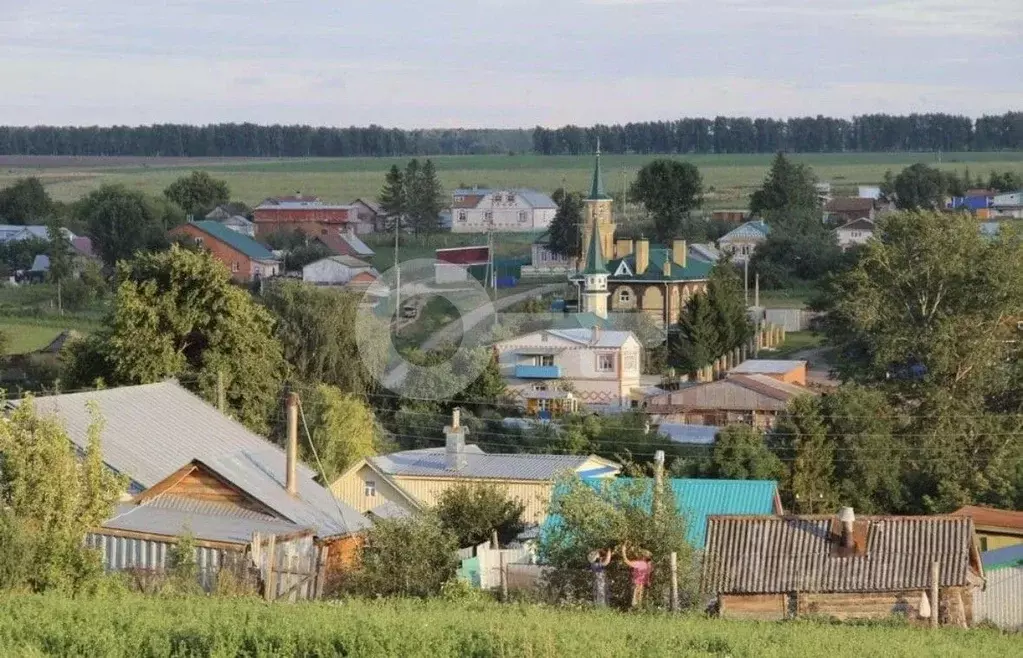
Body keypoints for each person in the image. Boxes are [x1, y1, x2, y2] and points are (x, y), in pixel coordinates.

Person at [621, 543, 652, 608]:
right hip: (642, 584)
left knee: (634, 601)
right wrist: (648, 582)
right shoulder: (648, 565)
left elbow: (626, 561)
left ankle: (634, 611)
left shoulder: (639, 563)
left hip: (636, 584)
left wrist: (623, 551)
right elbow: (648, 575)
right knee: (639, 600)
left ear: (643, 556)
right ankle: (638, 612)